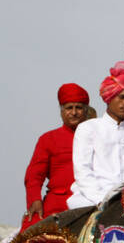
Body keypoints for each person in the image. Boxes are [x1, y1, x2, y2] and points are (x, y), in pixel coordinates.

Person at [67, 62, 124, 209]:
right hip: (92, 201)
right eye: (122, 97)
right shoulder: (88, 129)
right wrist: (102, 200)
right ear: (110, 97)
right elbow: (83, 172)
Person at [22, 83, 91, 226]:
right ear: (61, 111)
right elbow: (34, 176)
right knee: (30, 233)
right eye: (69, 108)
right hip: (57, 204)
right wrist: (35, 200)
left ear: (85, 111)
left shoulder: (96, 138)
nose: (74, 112)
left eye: (78, 108)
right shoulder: (48, 139)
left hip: (89, 201)